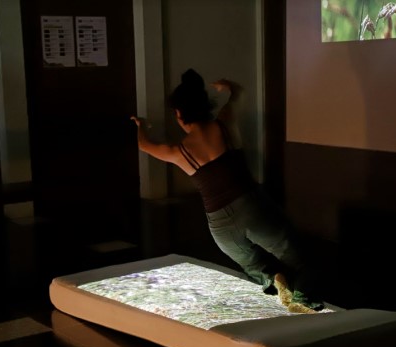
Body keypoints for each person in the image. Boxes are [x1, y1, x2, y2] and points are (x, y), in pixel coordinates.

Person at [131, 68, 325, 313]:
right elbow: (238, 94)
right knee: (303, 262)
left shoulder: (178, 151)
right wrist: (229, 86)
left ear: (179, 115)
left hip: (221, 226)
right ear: (205, 106)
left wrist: (140, 126)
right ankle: (303, 301)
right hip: (253, 209)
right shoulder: (223, 123)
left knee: (258, 268)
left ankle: (273, 282)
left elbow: (144, 145)